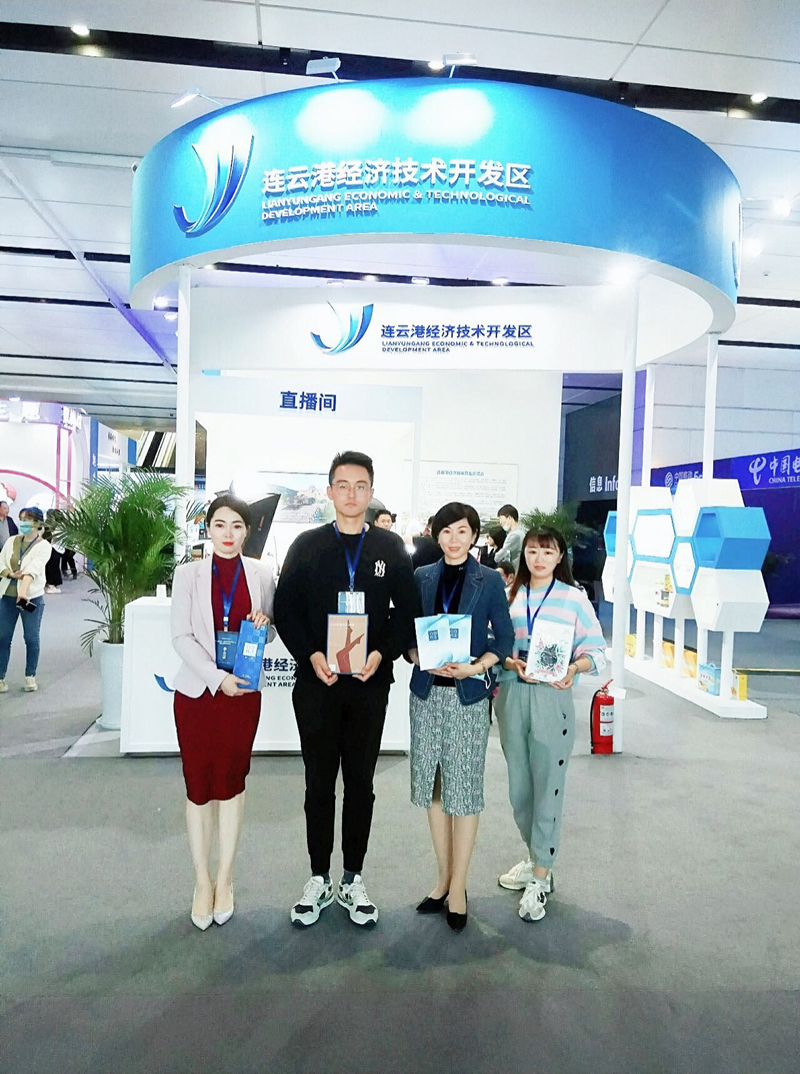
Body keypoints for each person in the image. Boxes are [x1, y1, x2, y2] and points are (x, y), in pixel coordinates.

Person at [274, 450, 417, 929]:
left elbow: (407, 612)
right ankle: (318, 877)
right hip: (317, 684)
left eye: (360, 486)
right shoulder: (307, 545)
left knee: (360, 784)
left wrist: (382, 653)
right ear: (330, 491)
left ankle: (353, 878)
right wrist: (311, 655)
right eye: (343, 485)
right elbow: (286, 610)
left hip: (368, 685)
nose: (352, 494)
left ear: (371, 491)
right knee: (318, 782)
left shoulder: (391, 548)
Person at [170, 494, 276, 931]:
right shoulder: (188, 574)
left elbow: (270, 632)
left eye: (236, 526)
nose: (228, 534)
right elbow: (181, 637)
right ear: (208, 528)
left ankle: (226, 878)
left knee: (232, 784)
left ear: (247, 531)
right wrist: (217, 677)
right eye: (219, 525)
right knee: (198, 787)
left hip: (243, 693)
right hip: (199, 695)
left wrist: (265, 624)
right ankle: (202, 881)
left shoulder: (261, 573)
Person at [408, 502, 514, 932]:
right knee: (434, 787)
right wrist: (418, 657)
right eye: (447, 531)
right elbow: (407, 634)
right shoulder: (421, 577)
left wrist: (476, 667)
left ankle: (459, 887)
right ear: (436, 534)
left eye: (462, 531)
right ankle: (442, 878)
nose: (454, 539)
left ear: (474, 536)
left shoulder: (488, 580)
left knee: (464, 791)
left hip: (467, 697)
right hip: (427, 695)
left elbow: (504, 639)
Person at [494, 525, 606, 923]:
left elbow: (597, 650)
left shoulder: (573, 598)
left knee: (548, 788)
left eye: (547, 551)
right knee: (519, 791)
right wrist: (509, 662)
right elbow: (492, 643)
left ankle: (541, 875)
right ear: (522, 554)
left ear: (560, 557)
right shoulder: (509, 595)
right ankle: (536, 857)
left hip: (551, 699)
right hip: (511, 695)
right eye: (532, 551)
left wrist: (574, 667)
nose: (538, 558)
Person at [0, 507, 51, 693]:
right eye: (21, 519)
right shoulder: (12, 541)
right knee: (3, 637)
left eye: (27, 520)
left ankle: (30, 675)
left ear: (37, 523)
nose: (23, 523)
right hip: (7, 596)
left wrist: (22, 593)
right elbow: (1, 562)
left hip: (31, 598)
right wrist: (10, 573)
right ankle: (0, 677)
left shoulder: (44, 546)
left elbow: (32, 571)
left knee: (31, 637)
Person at [494, 504, 523, 573]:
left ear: (509, 518)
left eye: (501, 519)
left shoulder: (515, 535)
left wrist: (496, 554)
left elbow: (498, 557)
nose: (500, 523)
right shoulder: (520, 532)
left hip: (515, 572)